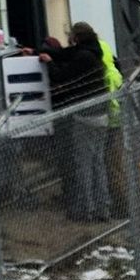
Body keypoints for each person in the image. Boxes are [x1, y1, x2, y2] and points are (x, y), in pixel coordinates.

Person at [41, 25, 113, 221]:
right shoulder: (93, 50)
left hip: (86, 116)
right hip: (102, 113)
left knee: (84, 165)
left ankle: (86, 210)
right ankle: (103, 209)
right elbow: (65, 53)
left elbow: (60, 75)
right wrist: (42, 51)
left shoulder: (83, 57)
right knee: (98, 163)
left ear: (77, 37)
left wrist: (48, 63)